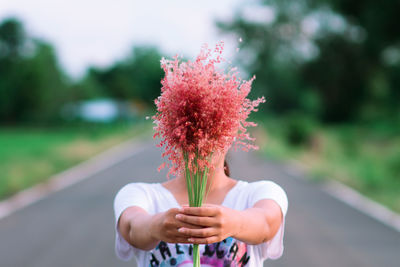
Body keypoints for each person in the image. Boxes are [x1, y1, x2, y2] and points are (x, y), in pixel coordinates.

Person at [113, 149, 288, 267]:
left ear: (232, 128)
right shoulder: (140, 194)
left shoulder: (260, 192)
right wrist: (155, 226)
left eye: (213, 123)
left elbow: (266, 223)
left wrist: (236, 223)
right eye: (190, 122)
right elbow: (131, 226)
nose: (201, 134)